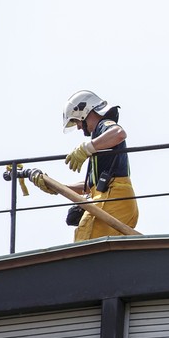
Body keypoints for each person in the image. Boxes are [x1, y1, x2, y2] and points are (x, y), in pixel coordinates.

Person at [33, 90, 139, 241]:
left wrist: (86, 148)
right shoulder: (100, 142)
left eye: (76, 121)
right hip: (117, 200)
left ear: (84, 112)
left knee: (84, 242)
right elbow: (90, 187)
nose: (78, 127)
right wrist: (59, 187)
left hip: (112, 198)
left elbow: (119, 133)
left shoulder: (103, 126)